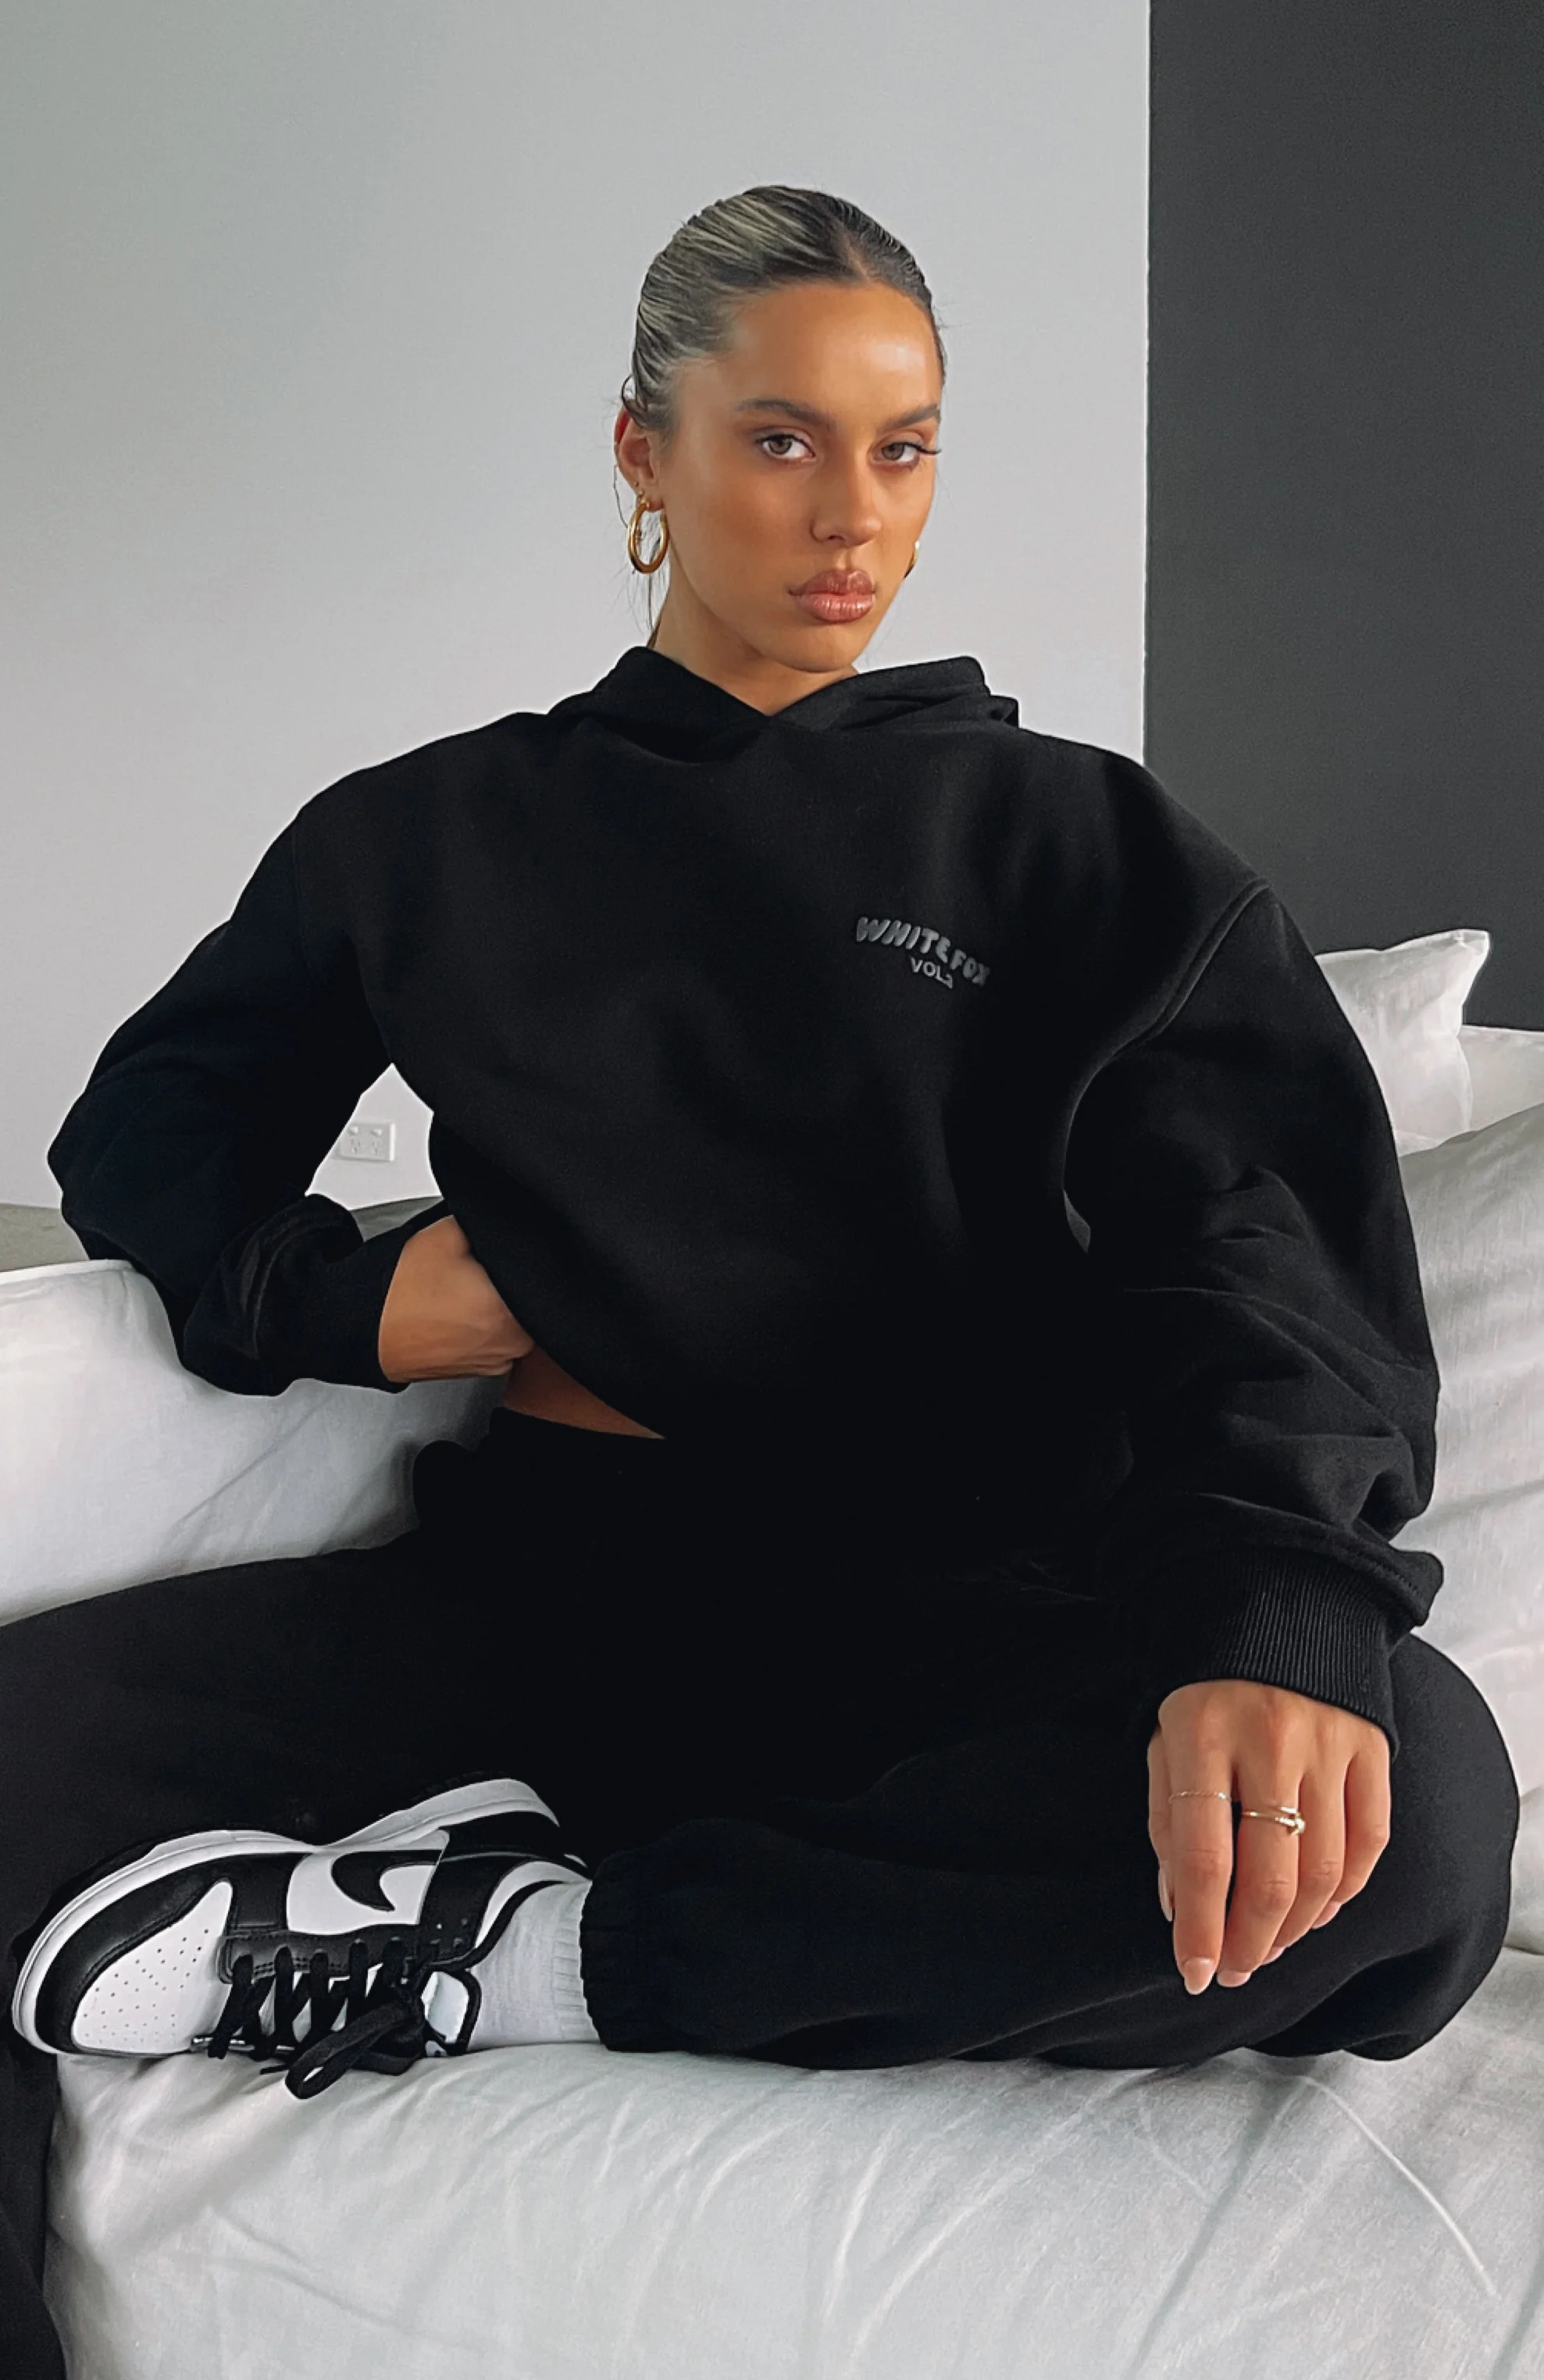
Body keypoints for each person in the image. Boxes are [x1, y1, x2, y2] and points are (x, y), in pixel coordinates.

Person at [2, 183, 1518, 2379]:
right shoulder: (431, 833)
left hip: (942, 1624)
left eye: (904, 449)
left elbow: (1260, 1251)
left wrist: (1272, 1617)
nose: (853, 513)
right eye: (783, 439)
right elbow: (153, 1133)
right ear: (646, 455)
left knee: (1414, 1820)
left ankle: (528, 1960)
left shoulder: (1079, 844)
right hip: (523, 1610)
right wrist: (343, 1304)